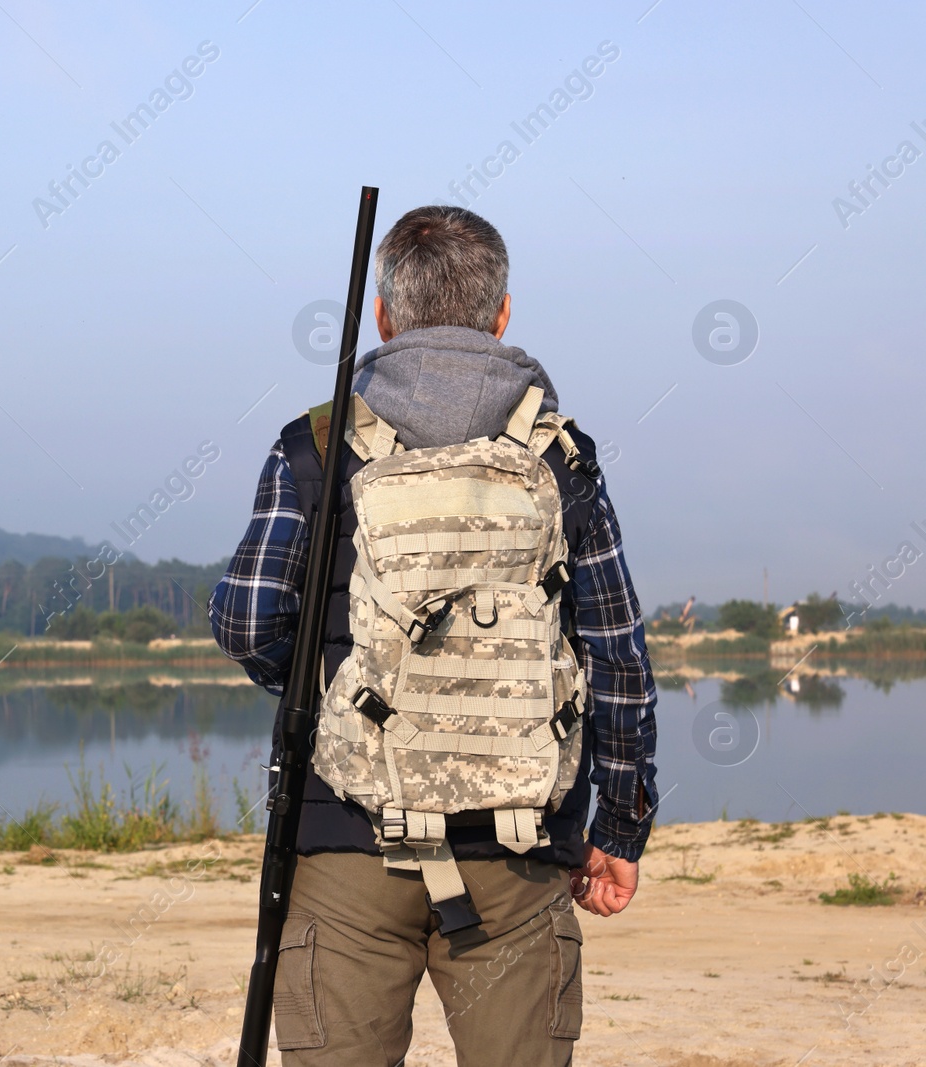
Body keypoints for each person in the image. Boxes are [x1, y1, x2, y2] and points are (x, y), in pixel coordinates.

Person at [210, 205, 657, 1066]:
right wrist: (621, 827)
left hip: (346, 841)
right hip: (519, 850)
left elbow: (247, 619)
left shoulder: (315, 444)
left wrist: (343, 688)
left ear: (384, 316)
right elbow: (618, 657)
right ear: (502, 314)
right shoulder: (561, 458)